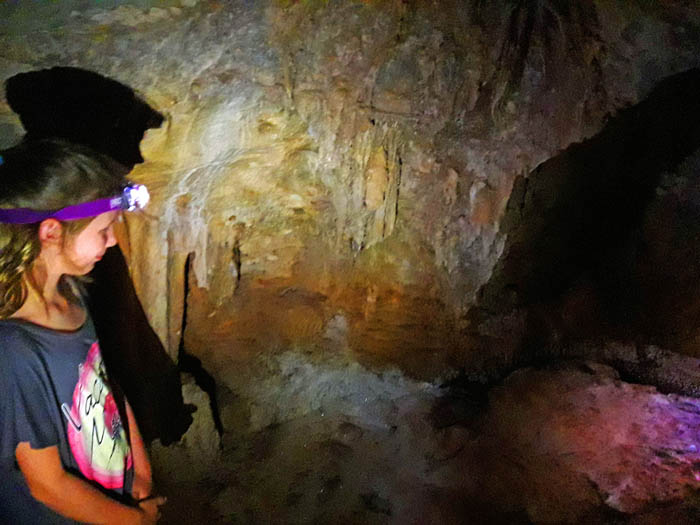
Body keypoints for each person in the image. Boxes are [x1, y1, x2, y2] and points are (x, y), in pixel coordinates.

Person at [0, 138, 166, 524]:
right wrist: (135, 521)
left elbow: (107, 389)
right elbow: (48, 484)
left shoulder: (72, 300)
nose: (111, 242)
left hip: (112, 499)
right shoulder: (14, 350)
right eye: (104, 230)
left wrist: (140, 474)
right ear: (52, 232)